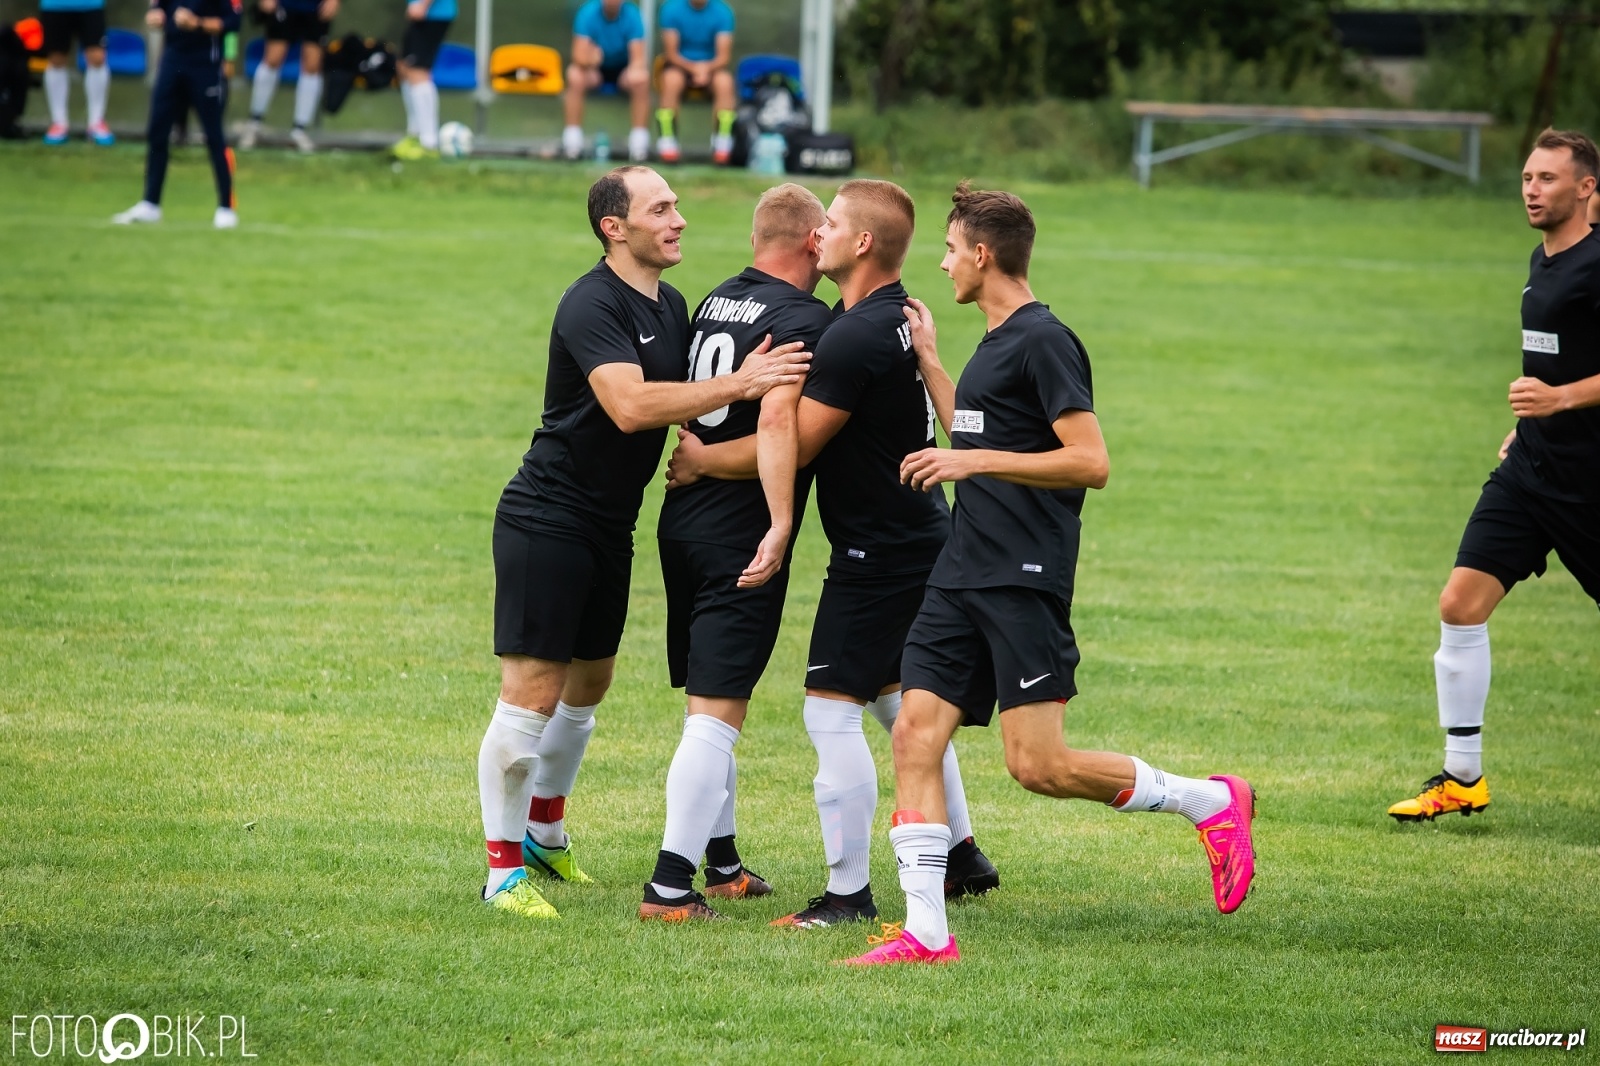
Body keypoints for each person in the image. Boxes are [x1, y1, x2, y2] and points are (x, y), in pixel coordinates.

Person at [842, 183, 1257, 967]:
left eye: (950, 247)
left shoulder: (1044, 340)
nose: (942, 262)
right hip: (961, 571)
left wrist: (971, 460)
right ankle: (926, 933)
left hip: (1021, 576)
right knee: (915, 736)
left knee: (1040, 766)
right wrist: (934, 367)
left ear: (983, 254)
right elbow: (979, 427)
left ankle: (1210, 800)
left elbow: (1090, 461)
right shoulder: (994, 340)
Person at [665, 179, 1000, 929]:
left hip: (878, 552)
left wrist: (701, 463)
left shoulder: (848, 335)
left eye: (835, 223)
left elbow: (798, 438)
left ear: (863, 244)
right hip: (918, 535)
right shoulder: (886, 316)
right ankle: (964, 856)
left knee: (829, 714)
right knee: (896, 699)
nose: (821, 233)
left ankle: (847, 895)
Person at [478, 166, 812, 919]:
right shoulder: (590, 302)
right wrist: (744, 384)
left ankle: (544, 836)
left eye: (677, 206)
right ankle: (501, 873)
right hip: (548, 519)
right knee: (531, 695)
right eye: (661, 208)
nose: (679, 219)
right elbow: (630, 407)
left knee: (588, 685)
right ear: (613, 226)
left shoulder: (671, 303)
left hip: (610, 525)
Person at [1387, 129, 1600, 824]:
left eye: (1547, 178)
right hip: (1531, 470)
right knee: (1460, 604)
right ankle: (1462, 777)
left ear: (1586, 189)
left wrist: (1561, 401)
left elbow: (1566, 380)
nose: (1531, 188)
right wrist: (1533, 422)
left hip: (1591, 483)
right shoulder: (1541, 262)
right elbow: (1556, 359)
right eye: (1527, 177)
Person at [640, 184, 835, 921]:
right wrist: (780, 521)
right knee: (716, 717)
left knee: (706, 704)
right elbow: (788, 427)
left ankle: (722, 865)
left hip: (683, 524)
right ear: (814, 240)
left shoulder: (717, 298)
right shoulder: (807, 320)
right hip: (739, 530)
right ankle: (668, 887)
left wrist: (697, 461)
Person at [112, 0, 241, 230]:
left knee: (214, 136)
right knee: (157, 132)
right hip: (172, 62)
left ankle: (225, 207)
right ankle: (150, 203)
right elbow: (157, 8)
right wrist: (155, 16)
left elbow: (233, 22)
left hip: (205, 65)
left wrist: (197, 23)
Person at [239, 0, 338, 152]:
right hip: (284, 5)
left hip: (315, 8)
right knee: (272, 59)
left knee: (312, 65)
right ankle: (254, 124)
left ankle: (300, 130)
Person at [563, 0, 650, 163]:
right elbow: (578, 56)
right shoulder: (587, 13)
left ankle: (639, 145)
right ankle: (572, 143)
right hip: (594, 69)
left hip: (623, 70)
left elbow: (638, 59)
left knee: (641, 78)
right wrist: (591, 60)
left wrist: (632, 71)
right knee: (574, 75)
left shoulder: (633, 14)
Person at [654, 0, 734, 165]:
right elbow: (671, 54)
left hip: (711, 69)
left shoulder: (723, 12)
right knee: (671, 80)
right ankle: (668, 143)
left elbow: (723, 57)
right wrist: (694, 69)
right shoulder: (671, 9)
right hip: (680, 67)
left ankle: (722, 145)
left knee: (725, 82)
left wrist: (705, 69)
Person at [38, 0, 112, 145]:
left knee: (97, 57)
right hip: (55, 6)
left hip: (91, 5)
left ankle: (96, 122)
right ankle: (59, 123)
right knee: (56, 58)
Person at [392, 0, 453, 160]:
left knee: (418, 72)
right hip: (424, 12)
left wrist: (423, 4)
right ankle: (414, 135)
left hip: (432, 13)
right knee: (404, 68)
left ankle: (428, 143)